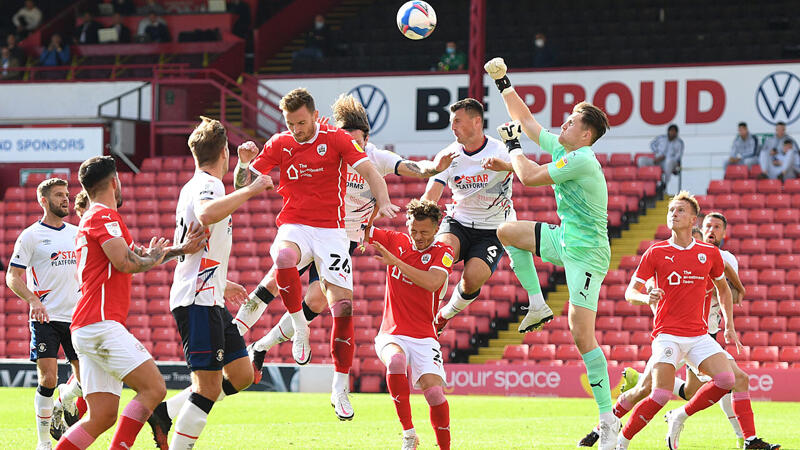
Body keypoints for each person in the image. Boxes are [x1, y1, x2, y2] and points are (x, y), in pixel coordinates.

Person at [234, 94, 455, 369]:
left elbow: (412, 168)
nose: (353, 145)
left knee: (315, 300)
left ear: (366, 138)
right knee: (272, 283)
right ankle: (233, 336)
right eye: (347, 138)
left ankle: (263, 344)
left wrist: (433, 168)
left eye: (358, 140)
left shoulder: (376, 158)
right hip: (311, 226)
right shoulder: (332, 150)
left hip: (341, 238)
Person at [233, 87, 399, 420]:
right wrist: (243, 163)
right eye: (290, 123)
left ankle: (339, 388)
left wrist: (383, 201)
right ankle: (297, 328)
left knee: (344, 306)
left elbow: (370, 172)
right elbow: (242, 183)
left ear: (312, 113)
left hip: (333, 233)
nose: (296, 129)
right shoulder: (280, 143)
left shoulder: (336, 138)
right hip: (295, 225)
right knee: (281, 262)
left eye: (301, 122)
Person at [483, 56, 618, 450]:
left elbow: (528, 177)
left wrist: (511, 150)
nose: (563, 125)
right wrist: (502, 81)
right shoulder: (565, 149)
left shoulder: (581, 159)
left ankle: (607, 419)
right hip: (565, 238)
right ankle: (537, 304)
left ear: (587, 134)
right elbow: (528, 122)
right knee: (506, 230)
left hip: (588, 254)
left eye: (572, 122)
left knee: (581, 334)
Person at [578, 213, 778, 450]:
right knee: (649, 390)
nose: (710, 231)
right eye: (707, 226)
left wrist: (725, 299)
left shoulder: (720, 259)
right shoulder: (669, 255)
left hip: (704, 335)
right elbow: (650, 290)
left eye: (716, 227)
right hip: (672, 335)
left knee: (698, 388)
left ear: (723, 233)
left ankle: (738, 436)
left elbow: (732, 292)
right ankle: (602, 429)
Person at [54, 155, 204, 450]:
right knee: (154, 388)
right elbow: (126, 261)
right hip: (99, 323)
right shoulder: (104, 216)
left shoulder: (96, 218)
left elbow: (134, 255)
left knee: (101, 416)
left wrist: (177, 250)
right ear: (114, 182)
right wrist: (155, 257)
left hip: (88, 325)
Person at [146, 117, 272, 450]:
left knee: (242, 375)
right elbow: (205, 214)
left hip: (209, 293)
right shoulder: (207, 186)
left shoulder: (199, 183)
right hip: (197, 299)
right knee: (207, 387)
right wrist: (250, 187)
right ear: (224, 153)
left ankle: (165, 411)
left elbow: (201, 236)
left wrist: (222, 281)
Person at [615, 191, 741, 450]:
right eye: (671, 210)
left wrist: (728, 324)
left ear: (694, 219)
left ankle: (679, 415)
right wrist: (647, 297)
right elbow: (630, 292)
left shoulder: (709, 253)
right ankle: (621, 442)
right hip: (667, 334)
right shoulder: (656, 251)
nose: (674, 213)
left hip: (698, 335)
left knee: (727, 380)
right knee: (660, 394)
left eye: (680, 210)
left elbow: (724, 288)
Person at [418, 98, 516, 336]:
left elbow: (529, 171)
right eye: (452, 123)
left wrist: (504, 166)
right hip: (458, 223)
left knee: (472, 279)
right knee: (440, 258)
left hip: (493, 229)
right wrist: (418, 219)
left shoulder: (500, 150)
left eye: (458, 122)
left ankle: (444, 315)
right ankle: (424, 318)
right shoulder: (449, 155)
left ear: (476, 122)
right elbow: (431, 194)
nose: (453, 128)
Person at [366, 200, 454, 450]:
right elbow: (362, 228)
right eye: (413, 230)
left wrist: (397, 263)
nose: (417, 237)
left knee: (435, 395)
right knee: (395, 362)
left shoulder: (443, 251)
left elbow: (432, 282)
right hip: (392, 332)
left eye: (424, 232)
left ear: (436, 229)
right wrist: (374, 205)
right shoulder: (396, 240)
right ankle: (408, 434)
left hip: (425, 336)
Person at [5, 178, 81, 450]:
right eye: (60, 195)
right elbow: (12, 277)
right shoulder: (31, 235)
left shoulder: (76, 232)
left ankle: (64, 400)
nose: (66, 199)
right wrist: (33, 300)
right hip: (45, 317)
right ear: (44, 201)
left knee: (86, 382)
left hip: (78, 317)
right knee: (48, 378)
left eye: (67, 194)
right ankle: (43, 442)